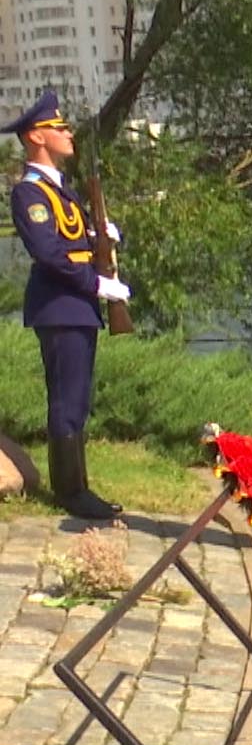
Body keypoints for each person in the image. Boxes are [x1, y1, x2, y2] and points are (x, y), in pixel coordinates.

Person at [5, 90, 126, 520]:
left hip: (76, 305)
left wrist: (103, 239)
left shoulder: (63, 190)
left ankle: (78, 486)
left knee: (77, 398)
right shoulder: (29, 194)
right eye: (59, 128)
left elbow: (75, 241)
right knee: (67, 400)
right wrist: (98, 284)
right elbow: (50, 254)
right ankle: (70, 491)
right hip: (61, 304)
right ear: (37, 136)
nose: (67, 133)